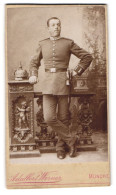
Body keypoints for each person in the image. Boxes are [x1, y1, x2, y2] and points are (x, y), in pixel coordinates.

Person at [29, 17, 93, 159]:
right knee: (49, 117)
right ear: (48, 28)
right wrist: (33, 74)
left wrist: (77, 71)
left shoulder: (68, 43)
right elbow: (34, 62)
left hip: (64, 83)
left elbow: (87, 57)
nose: (56, 27)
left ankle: (60, 149)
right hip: (47, 84)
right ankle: (72, 140)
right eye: (53, 25)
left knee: (64, 118)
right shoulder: (42, 43)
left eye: (58, 24)